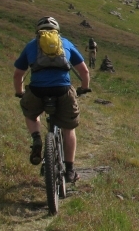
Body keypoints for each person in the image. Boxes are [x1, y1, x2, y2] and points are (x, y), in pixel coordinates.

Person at [13, 17, 90, 183]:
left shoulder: (31, 45)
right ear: (57, 31)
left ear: (38, 31)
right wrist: (84, 88)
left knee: (31, 114)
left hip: (37, 90)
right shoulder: (65, 43)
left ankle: (36, 138)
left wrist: (20, 92)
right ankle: (69, 170)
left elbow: (18, 74)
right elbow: (84, 71)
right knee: (68, 128)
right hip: (62, 89)